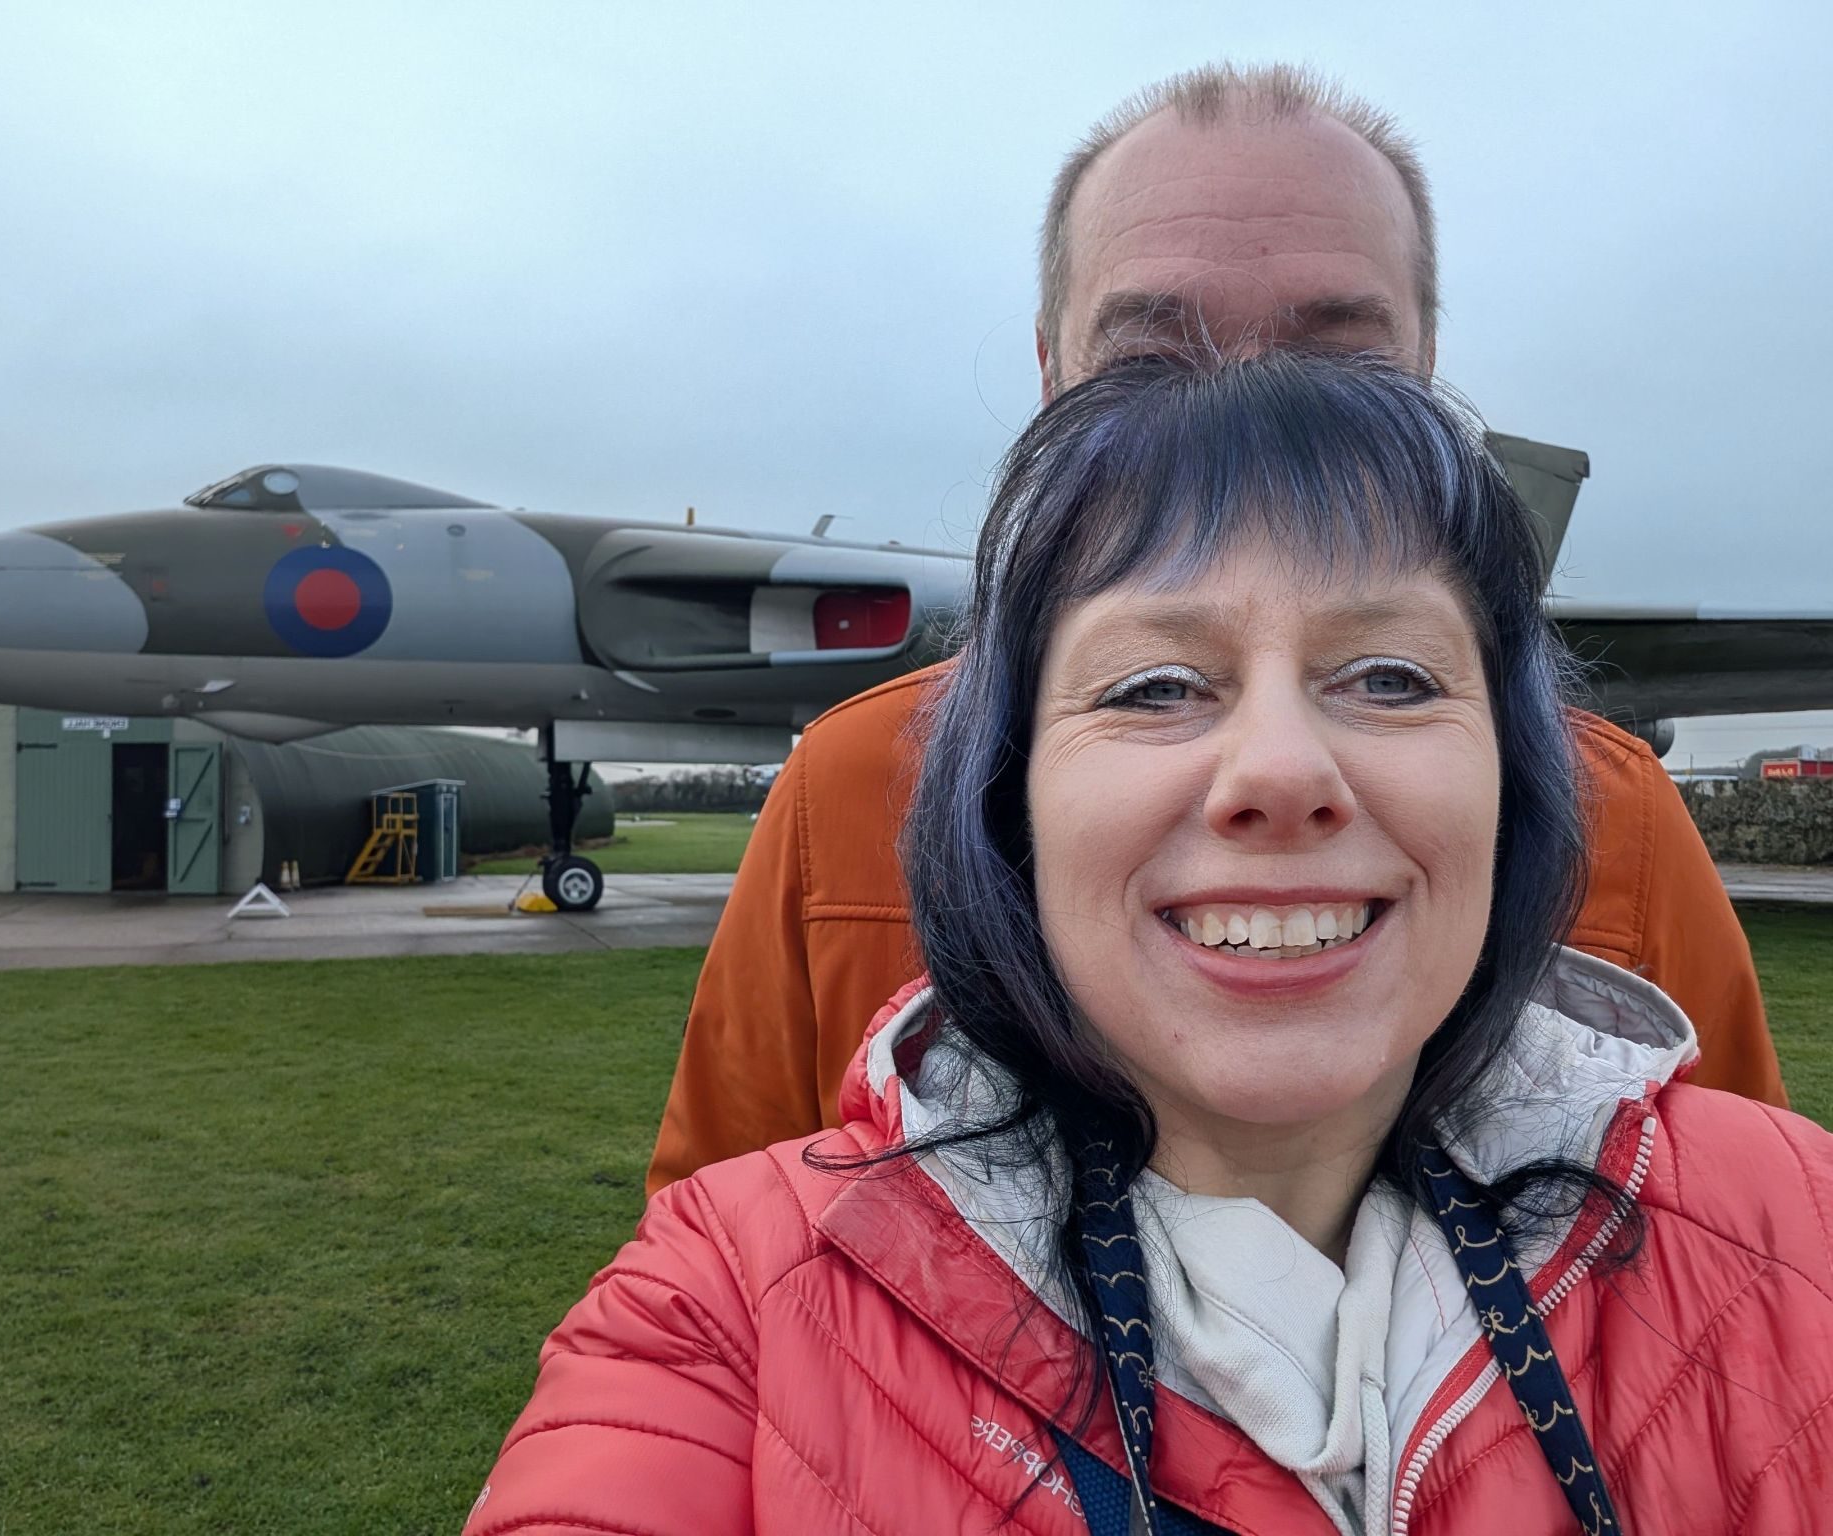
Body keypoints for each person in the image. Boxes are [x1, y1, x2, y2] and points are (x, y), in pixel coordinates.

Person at [470, 352, 1831, 1535]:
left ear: (1510, 786)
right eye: (1153, 686)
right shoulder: (734, 1309)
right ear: (1008, 804)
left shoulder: (1796, 1239)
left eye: (1392, 677)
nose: (1281, 772)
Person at [646, 65, 1783, 1200]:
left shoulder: (1619, 816)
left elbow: (1734, 1241)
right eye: (1147, 369)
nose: (1243, 426)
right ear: (1050, 378)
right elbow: (728, 1233)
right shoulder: (846, 787)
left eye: (1339, 366)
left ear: (1428, 377)